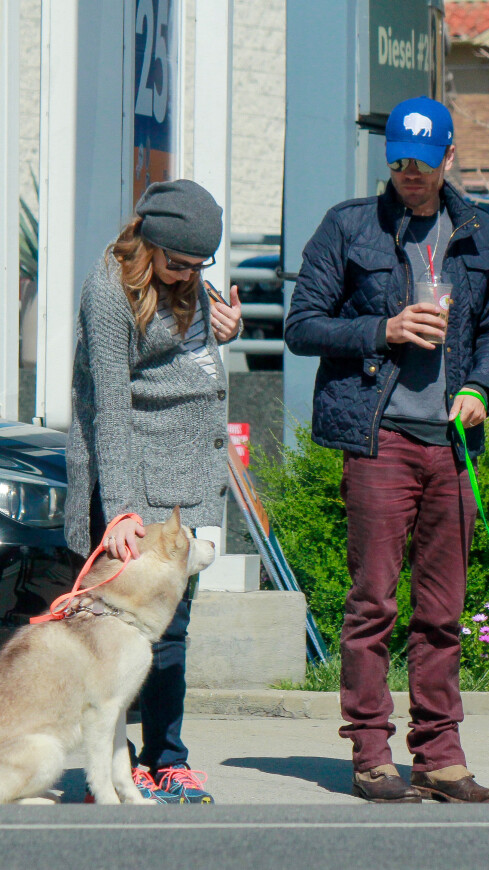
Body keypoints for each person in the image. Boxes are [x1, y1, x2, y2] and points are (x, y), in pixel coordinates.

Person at [285, 96, 489, 804]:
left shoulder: (475, 233)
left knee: (442, 611)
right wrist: (380, 330)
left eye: (422, 161)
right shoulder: (349, 226)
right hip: (378, 438)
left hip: (452, 445)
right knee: (373, 603)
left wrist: (479, 387)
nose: (409, 174)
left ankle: (441, 756)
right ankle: (371, 752)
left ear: (449, 157)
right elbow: (302, 325)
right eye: (398, 162)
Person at [65, 178, 242, 804]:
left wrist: (228, 328)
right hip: (133, 480)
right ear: (149, 239)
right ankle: (122, 762)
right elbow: (109, 404)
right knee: (120, 636)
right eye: (179, 262)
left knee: (172, 630)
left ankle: (168, 758)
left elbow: (192, 353)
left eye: (200, 265)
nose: (188, 274)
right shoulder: (108, 291)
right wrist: (122, 512)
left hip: (189, 479)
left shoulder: (190, 276)